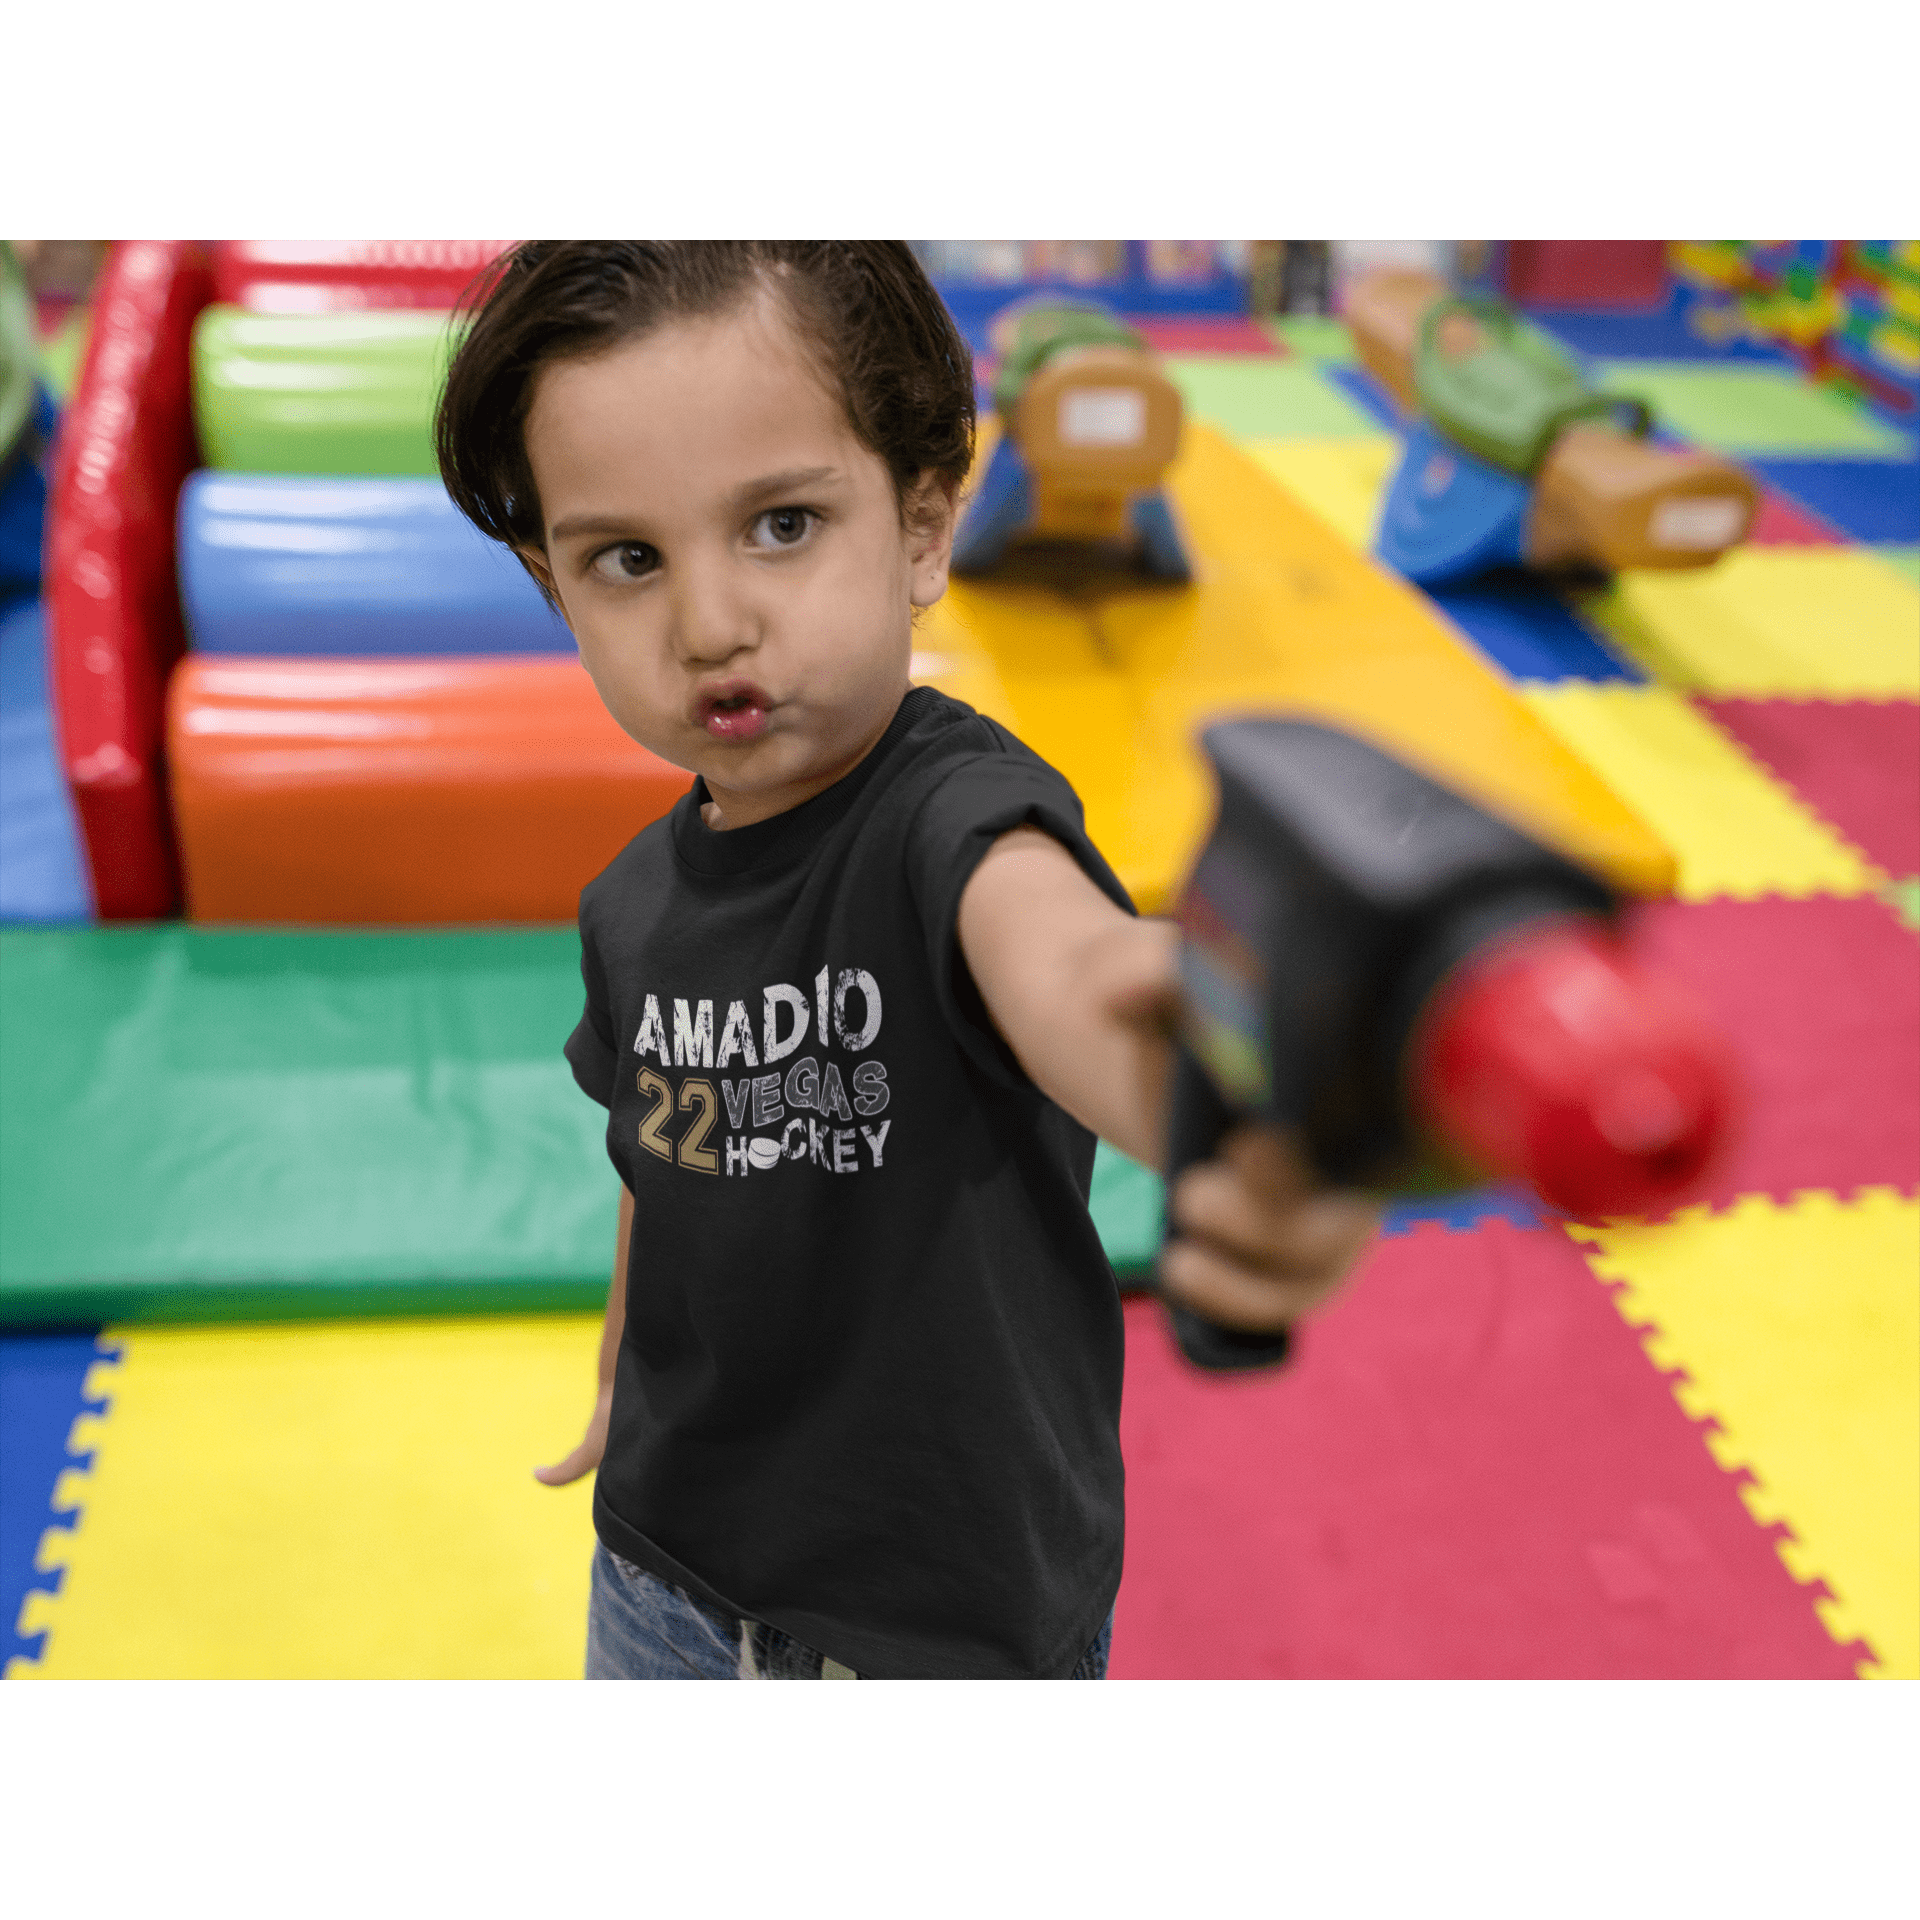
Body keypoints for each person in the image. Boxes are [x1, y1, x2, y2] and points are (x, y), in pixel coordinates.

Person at [435, 242, 1380, 1680]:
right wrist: (625, 1375)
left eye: (783, 525)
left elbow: (1075, 974)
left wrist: (1232, 1083)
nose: (709, 625)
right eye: (627, 559)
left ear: (924, 526)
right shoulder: (631, 901)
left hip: (940, 1629)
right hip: (661, 1572)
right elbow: (663, 1159)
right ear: (554, 588)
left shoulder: (956, 828)